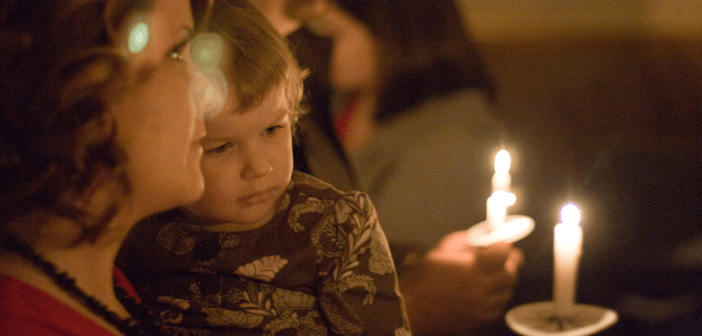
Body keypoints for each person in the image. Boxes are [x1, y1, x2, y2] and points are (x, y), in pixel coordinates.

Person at [116, 1, 410, 335]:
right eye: (221, 147)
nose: (259, 167)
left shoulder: (333, 224)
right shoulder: (140, 228)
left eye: (272, 130)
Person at [283, 0, 525, 334]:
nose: (310, 44)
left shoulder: (449, 140)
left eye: (329, 33)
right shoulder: (343, 100)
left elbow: (384, 274)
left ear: (393, 35)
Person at [0, 0, 217, 335]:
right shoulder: (21, 323)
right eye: (174, 51)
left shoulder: (102, 285)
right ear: (74, 86)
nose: (210, 91)